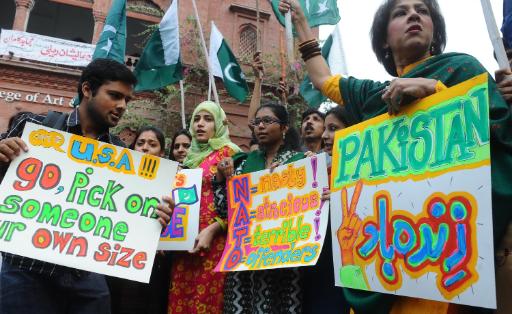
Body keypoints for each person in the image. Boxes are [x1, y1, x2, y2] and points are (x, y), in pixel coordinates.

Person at [280, 0, 512, 313]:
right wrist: (301, 23)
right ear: (384, 40)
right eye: (400, 12)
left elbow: (500, 141)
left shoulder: (464, 69)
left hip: (444, 262)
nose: (414, 15)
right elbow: (323, 80)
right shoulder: (372, 96)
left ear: (435, 30)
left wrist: (434, 90)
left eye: (422, 10)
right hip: (382, 259)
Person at [0, 58, 174, 314]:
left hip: (85, 281)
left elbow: (127, 217)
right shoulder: (34, 128)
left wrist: (156, 216)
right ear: (87, 90)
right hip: (26, 274)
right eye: (114, 95)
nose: (122, 106)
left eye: (127, 100)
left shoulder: (121, 156)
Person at [214, 103, 305, 314]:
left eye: (267, 121)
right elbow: (225, 211)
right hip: (244, 260)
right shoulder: (243, 164)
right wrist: (222, 178)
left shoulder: (300, 162)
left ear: (284, 128)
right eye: (257, 122)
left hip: (283, 260)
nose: (260, 126)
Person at [167, 101, 241, 313]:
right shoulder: (187, 159)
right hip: (182, 244)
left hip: (214, 244)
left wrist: (217, 227)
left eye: (208, 119)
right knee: (180, 300)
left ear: (218, 124)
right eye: (197, 119)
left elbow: (240, 203)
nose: (200, 124)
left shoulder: (230, 153)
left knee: (208, 302)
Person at [108, 126, 171, 314]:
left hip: (152, 265)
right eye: (140, 143)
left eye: (152, 144)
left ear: (161, 152)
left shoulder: (177, 182)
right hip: (115, 258)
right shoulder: (116, 178)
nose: (145, 148)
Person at [301, 105, 353, 314]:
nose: (325, 135)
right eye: (326, 130)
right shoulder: (318, 166)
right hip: (317, 263)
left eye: (333, 128)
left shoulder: (366, 169)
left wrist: (343, 199)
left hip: (345, 265)